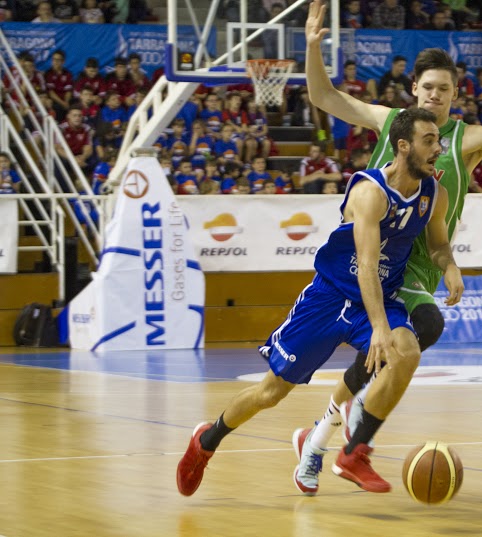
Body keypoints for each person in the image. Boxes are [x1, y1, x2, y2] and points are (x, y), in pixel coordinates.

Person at [291, 0, 482, 495]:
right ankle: (350, 448)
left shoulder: (469, 139)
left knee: (384, 355)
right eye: (427, 87)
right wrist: (314, 46)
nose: (434, 96)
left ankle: (318, 438)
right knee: (419, 330)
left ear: (454, 95)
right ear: (414, 90)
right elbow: (323, 95)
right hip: (380, 262)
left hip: (424, 265)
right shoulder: (390, 122)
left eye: (444, 90)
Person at [176, 108, 464, 496]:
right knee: (270, 394)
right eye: (428, 141)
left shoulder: (435, 194)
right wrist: (379, 326)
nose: (437, 149)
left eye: (438, 140)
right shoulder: (370, 192)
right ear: (402, 146)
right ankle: (206, 442)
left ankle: (354, 450)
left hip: (376, 299)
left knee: (407, 351)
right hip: (330, 297)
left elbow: (438, 244)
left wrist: (449, 266)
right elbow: (365, 264)